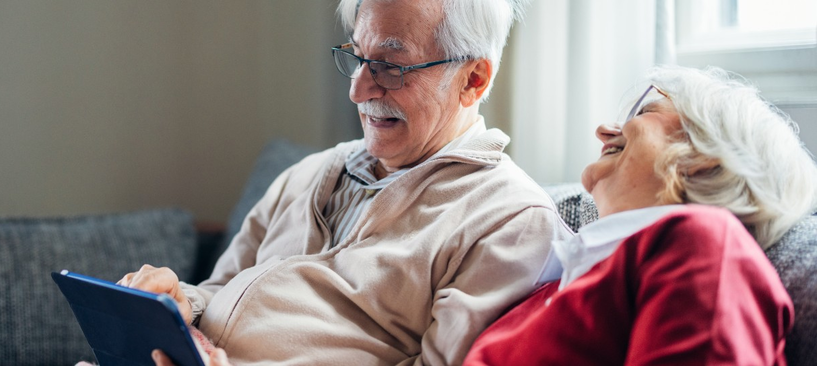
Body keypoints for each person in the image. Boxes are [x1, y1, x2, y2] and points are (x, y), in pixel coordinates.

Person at [121, 0, 573, 365]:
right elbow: (221, 290)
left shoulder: (509, 221)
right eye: (357, 56)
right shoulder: (309, 173)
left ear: (472, 80)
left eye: (391, 66)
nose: (358, 90)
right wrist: (179, 306)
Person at [464, 65, 817, 365]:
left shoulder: (702, 245)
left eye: (644, 112)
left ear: (707, 154)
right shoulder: (551, 280)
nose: (604, 130)